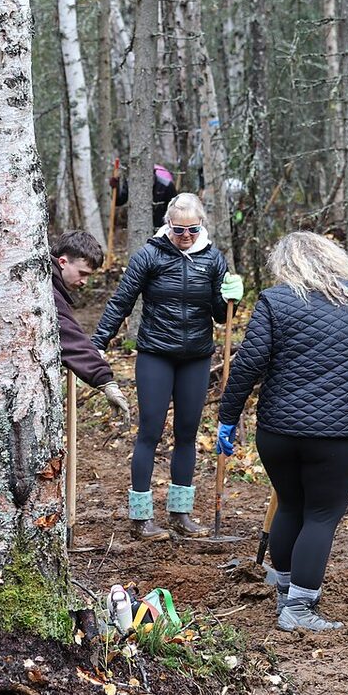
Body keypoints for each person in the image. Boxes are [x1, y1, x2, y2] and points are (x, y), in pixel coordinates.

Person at [216, 232, 348, 632]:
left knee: (290, 505)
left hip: (278, 431)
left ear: (286, 264)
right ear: (333, 258)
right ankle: (300, 610)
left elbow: (248, 364)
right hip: (337, 433)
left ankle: (285, 594)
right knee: (321, 516)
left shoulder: (276, 301)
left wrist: (228, 417)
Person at [91, 193, 243, 541]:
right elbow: (121, 301)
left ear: (201, 225)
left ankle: (180, 514)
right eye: (178, 229)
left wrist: (232, 297)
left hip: (196, 356)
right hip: (156, 354)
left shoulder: (213, 259)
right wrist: (98, 342)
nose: (186, 236)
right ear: (168, 225)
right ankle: (141, 517)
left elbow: (222, 317)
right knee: (150, 431)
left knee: (187, 433)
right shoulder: (150, 255)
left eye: (192, 229)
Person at [49, 230, 130, 424]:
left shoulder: (51, 284)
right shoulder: (46, 290)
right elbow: (69, 336)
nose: (85, 282)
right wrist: (105, 381)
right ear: (62, 262)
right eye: (82, 273)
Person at [110, 163, 178, 230]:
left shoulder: (167, 185)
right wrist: (116, 188)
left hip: (161, 228)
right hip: (137, 227)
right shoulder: (132, 182)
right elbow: (119, 201)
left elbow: (174, 211)